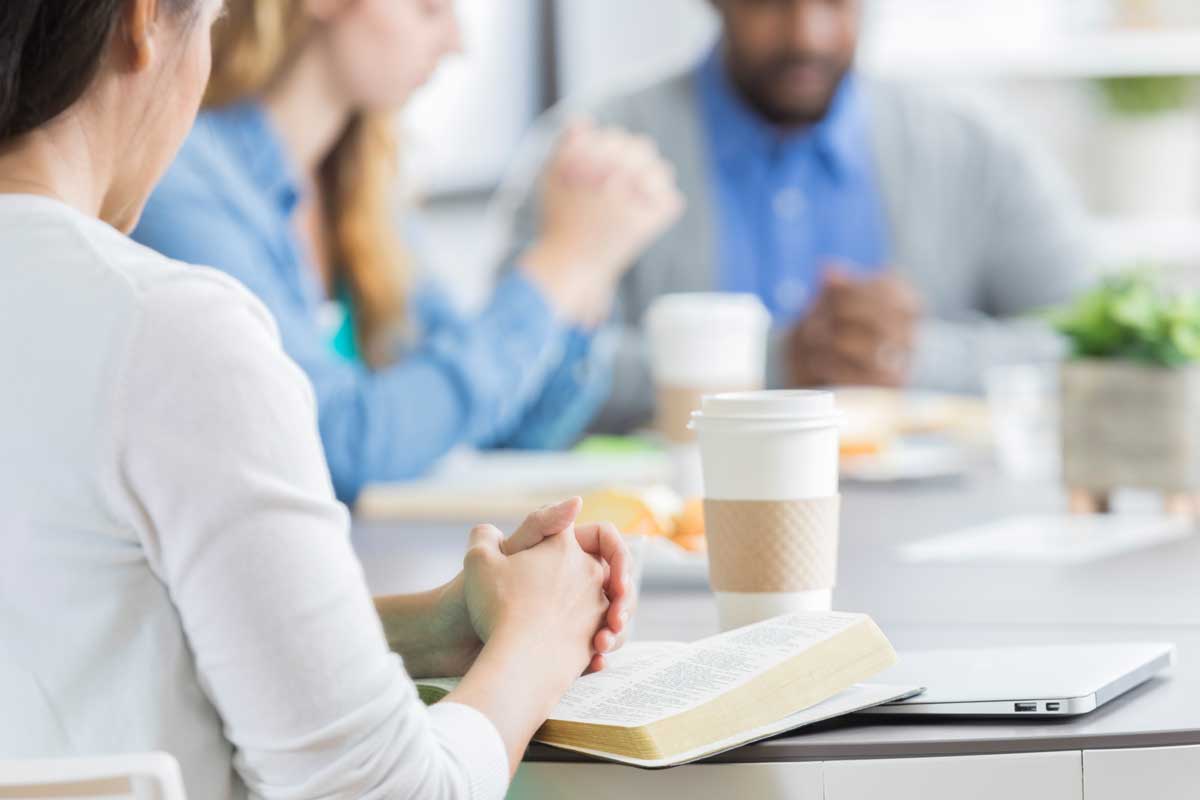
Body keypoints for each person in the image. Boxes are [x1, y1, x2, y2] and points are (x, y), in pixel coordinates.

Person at [0, 2, 635, 798]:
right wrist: (535, 648)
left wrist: (425, 630)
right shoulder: (165, 326)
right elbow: (382, 791)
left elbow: (85, 632)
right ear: (143, 23)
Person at [131, 0, 684, 504]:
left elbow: (495, 425)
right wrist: (559, 268)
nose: (456, 43)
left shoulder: (364, 192)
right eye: (429, 9)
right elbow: (339, 444)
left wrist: (586, 272)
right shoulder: (186, 178)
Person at [513, 0, 1093, 434]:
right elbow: (520, 375)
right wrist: (779, 363)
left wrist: (912, 356)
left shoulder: (974, 148)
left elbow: (1099, 346)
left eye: (835, 1)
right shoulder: (597, 155)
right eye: (770, 1)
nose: (807, 36)